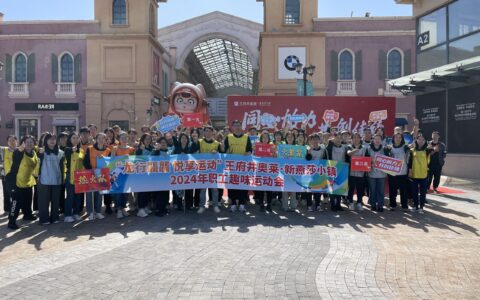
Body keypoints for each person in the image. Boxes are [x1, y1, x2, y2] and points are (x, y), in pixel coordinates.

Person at [7, 136, 39, 230]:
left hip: (27, 181)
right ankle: (11, 222)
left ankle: (27, 215)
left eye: (31, 142)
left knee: (28, 200)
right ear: (23, 143)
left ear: (34, 144)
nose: (29, 144)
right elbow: (16, 155)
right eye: (27, 142)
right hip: (15, 181)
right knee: (16, 203)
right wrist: (20, 150)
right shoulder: (19, 152)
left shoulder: (34, 153)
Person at [37, 133, 66, 225]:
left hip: (56, 180)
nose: (52, 141)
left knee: (55, 201)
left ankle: (55, 217)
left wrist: (62, 179)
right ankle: (44, 219)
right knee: (43, 201)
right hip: (44, 180)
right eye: (49, 139)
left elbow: (62, 167)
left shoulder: (61, 152)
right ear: (46, 141)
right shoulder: (41, 151)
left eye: (54, 139)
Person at [224, 120, 252, 213]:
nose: (237, 127)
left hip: (243, 166)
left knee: (243, 185)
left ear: (241, 126)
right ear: (232, 127)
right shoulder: (228, 137)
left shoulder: (246, 137)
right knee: (232, 185)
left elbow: (250, 150)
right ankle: (233, 204)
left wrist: (247, 153)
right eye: (235, 125)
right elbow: (226, 151)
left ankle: (242, 204)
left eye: (238, 125)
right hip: (232, 166)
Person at [83, 133, 111, 220]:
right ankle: (90, 212)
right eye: (99, 138)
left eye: (103, 138)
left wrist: (104, 160)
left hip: (101, 175)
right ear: (96, 139)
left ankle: (98, 211)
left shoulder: (107, 150)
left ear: (105, 140)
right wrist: (91, 170)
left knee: (99, 194)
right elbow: (85, 161)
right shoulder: (90, 148)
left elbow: (110, 163)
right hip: (91, 173)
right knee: (89, 194)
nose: (101, 140)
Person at [110, 132, 135, 219]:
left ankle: (123, 207)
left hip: (127, 174)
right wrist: (113, 154)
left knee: (125, 192)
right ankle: (119, 209)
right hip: (118, 175)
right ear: (119, 139)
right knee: (118, 192)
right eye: (122, 137)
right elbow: (111, 160)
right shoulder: (115, 148)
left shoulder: (131, 149)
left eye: (126, 137)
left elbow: (134, 160)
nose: (124, 139)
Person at [197, 126, 222, 214]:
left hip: (213, 170)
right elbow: (195, 153)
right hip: (203, 169)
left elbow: (220, 157)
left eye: (209, 131)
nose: (207, 133)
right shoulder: (199, 142)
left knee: (214, 189)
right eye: (206, 131)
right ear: (204, 133)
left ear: (212, 132)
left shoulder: (216, 143)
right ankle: (201, 206)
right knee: (203, 190)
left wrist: (217, 153)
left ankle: (215, 205)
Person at [408, 135, 433, 214]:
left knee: (422, 192)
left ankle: (421, 207)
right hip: (414, 174)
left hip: (424, 174)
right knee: (414, 192)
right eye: (419, 139)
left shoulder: (427, 150)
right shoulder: (412, 150)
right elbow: (410, 162)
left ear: (425, 141)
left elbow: (431, 150)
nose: (421, 141)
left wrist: (430, 147)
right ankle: (416, 206)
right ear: (416, 140)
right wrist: (410, 171)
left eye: (423, 139)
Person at [64, 132, 85, 222]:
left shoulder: (81, 150)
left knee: (78, 196)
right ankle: (67, 215)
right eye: (73, 138)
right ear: (70, 139)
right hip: (69, 175)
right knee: (70, 195)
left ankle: (75, 213)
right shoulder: (67, 149)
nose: (76, 140)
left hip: (79, 175)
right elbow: (67, 154)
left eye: (77, 138)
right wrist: (72, 150)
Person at [325, 133, 348, 211]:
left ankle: (338, 204)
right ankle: (332, 204)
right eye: (336, 138)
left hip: (341, 169)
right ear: (333, 139)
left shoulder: (344, 147)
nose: (338, 139)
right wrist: (330, 142)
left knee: (339, 188)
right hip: (331, 169)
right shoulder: (330, 147)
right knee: (331, 188)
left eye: (339, 138)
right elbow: (327, 150)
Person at [387, 133, 410, 211]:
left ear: (402, 139)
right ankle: (392, 204)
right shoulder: (389, 148)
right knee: (392, 190)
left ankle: (404, 205)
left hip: (403, 172)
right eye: (396, 137)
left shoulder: (405, 147)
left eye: (400, 137)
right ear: (393, 139)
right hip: (392, 173)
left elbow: (409, 159)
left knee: (403, 191)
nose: (398, 139)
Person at [253, 129, 275, 212]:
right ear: (261, 138)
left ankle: (269, 204)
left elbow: (275, 157)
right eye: (263, 137)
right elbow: (254, 157)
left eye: (266, 137)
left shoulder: (271, 146)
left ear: (269, 138)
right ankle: (261, 204)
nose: (265, 139)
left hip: (269, 169)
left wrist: (273, 152)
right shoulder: (257, 146)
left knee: (269, 188)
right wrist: (254, 150)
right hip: (260, 169)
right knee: (261, 188)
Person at [366, 134, 389, 212]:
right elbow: (366, 160)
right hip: (371, 173)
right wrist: (370, 162)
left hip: (382, 174)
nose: (377, 140)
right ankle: (373, 205)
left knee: (381, 191)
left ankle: (380, 205)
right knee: (372, 190)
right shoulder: (368, 149)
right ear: (373, 140)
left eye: (379, 139)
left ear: (381, 140)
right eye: (375, 139)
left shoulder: (384, 149)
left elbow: (388, 160)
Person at [346, 132, 368, 211]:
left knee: (360, 188)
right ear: (351, 139)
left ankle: (359, 202)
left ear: (360, 139)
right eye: (354, 137)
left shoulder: (364, 148)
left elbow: (367, 159)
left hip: (361, 172)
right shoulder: (349, 147)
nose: (356, 139)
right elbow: (348, 154)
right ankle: (351, 202)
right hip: (351, 172)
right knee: (351, 188)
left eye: (357, 137)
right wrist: (355, 150)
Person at [135, 133, 155, 217]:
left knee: (148, 191)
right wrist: (141, 150)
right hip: (142, 173)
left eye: (149, 139)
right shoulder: (139, 148)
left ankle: (145, 206)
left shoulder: (152, 148)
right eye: (146, 139)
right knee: (142, 191)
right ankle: (140, 209)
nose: (148, 140)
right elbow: (137, 159)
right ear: (142, 140)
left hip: (150, 173)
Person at [307, 133, 326, 212]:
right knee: (309, 190)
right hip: (309, 173)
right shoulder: (308, 149)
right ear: (310, 141)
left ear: (319, 140)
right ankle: (309, 205)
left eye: (316, 139)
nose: (315, 141)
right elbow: (306, 160)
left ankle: (318, 204)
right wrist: (308, 152)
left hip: (319, 173)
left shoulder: (322, 150)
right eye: (313, 139)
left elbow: (325, 161)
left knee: (318, 189)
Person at [153, 137, 170, 217]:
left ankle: (164, 208)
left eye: (165, 142)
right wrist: (156, 150)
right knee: (159, 194)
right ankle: (159, 209)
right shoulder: (156, 152)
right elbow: (152, 159)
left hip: (167, 176)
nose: (163, 144)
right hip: (158, 177)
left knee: (166, 193)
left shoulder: (169, 151)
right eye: (161, 142)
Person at [1, 135, 17, 215]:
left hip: (17, 175)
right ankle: (7, 209)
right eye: (10, 140)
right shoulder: (3, 150)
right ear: (7, 142)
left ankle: (16, 207)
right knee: (6, 193)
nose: (12, 142)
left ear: (16, 141)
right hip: (6, 175)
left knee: (16, 193)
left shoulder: (19, 150)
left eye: (14, 140)